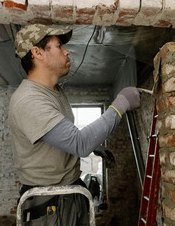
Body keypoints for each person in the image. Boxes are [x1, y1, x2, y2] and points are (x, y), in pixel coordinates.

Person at [9, 24, 141, 225]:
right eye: (59, 46)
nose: (66, 51)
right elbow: (78, 143)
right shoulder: (29, 100)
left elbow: (62, 138)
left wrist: (94, 147)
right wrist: (120, 104)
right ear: (37, 53)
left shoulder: (54, 92)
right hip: (50, 206)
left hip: (68, 194)